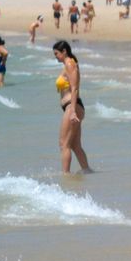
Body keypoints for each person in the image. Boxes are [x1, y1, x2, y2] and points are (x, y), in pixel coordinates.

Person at [53, 40, 92, 174]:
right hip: (72, 107)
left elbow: (75, 88)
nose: (55, 56)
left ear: (64, 51)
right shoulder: (67, 65)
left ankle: (66, 176)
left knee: (64, 144)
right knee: (75, 145)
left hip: (72, 107)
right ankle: (87, 171)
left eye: (57, 54)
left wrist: (73, 111)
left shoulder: (70, 64)